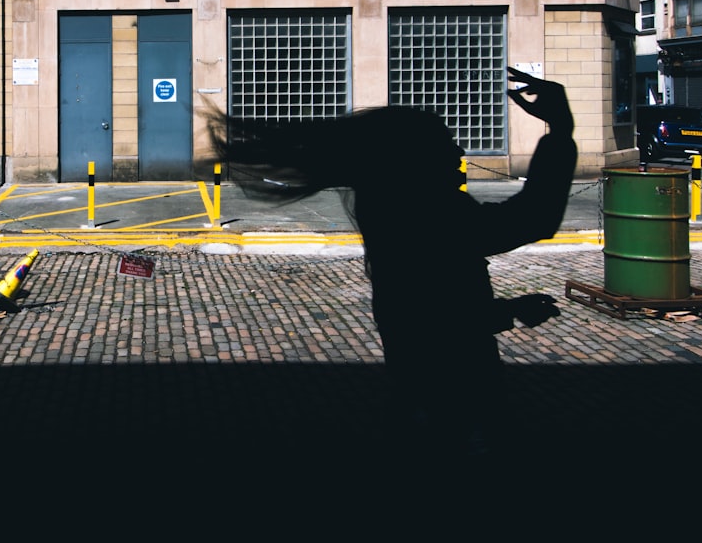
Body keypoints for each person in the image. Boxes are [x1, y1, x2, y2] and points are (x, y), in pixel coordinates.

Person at [208, 66, 578, 464]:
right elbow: (525, 223)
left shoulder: (389, 205)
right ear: (412, 159)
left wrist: (508, 311)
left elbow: (435, 304)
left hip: (424, 377)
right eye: (446, 143)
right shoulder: (424, 211)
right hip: (447, 385)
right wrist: (559, 134)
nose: (459, 153)